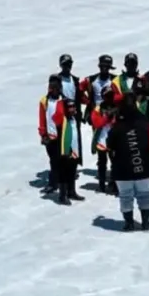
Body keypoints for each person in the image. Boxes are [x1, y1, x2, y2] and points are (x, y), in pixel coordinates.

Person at [106, 90, 149, 231]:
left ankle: (129, 223)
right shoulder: (144, 121)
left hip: (123, 167)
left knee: (126, 196)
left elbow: (110, 144)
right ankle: (146, 222)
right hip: (143, 165)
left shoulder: (117, 125)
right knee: (144, 194)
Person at [38, 75, 85, 204]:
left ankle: (71, 190)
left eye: (57, 85)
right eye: (52, 85)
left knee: (71, 164)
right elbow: (43, 119)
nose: (54, 88)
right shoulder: (44, 101)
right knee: (57, 164)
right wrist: (43, 134)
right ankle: (59, 191)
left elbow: (71, 115)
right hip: (52, 137)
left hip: (65, 136)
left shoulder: (65, 100)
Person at [55, 54, 84, 167]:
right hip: (61, 114)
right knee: (62, 140)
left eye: (69, 64)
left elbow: (79, 97)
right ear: (61, 65)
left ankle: (73, 164)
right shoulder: (57, 79)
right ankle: (62, 165)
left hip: (74, 114)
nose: (67, 67)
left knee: (74, 139)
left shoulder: (75, 80)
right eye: (65, 64)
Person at [89, 84, 119, 194]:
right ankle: (101, 184)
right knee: (102, 163)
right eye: (107, 96)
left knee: (115, 162)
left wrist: (114, 118)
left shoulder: (118, 107)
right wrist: (107, 117)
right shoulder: (98, 108)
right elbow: (97, 123)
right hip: (101, 139)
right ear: (103, 96)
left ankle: (114, 184)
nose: (109, 97)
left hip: (114, 139)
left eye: (111, 95)